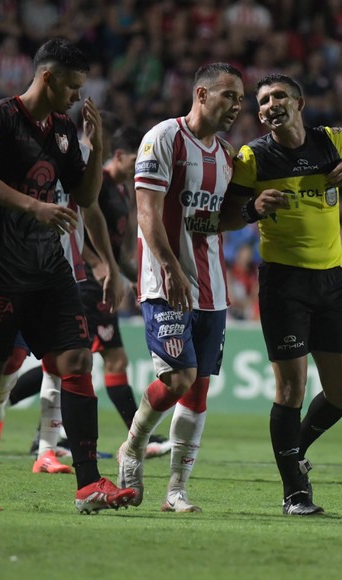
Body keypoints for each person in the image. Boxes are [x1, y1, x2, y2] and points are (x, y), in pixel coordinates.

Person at [0, 38, 135, 513]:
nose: (77, 96)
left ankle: (90, 484)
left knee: (78, 361)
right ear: (49, 77)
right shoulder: (0, 117)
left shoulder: (62, 129)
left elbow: (86, 194)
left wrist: (93, 149)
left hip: (49, 270)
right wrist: (35, 205)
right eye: (73, 86)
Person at [225, 73, 342, 515]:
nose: (269, 104)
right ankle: (294, 493)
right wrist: (253, 208)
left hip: (331, 279)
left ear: (299, 102)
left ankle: (294, 451)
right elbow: (225, 214)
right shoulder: (252, 157)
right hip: (285, 282)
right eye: (263, 100)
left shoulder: (333, 141)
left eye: (279, 95)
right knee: (291, 389)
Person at [116, 62, 245, 513]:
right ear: (202, 94)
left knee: (198, 390)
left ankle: (176, 491)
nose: (236, 106)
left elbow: (213, 219)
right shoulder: (162, 138)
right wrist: (170, 266)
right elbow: (147, 213)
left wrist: (252, 212)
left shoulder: (227, 156)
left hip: (212, 288)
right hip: (164, 280)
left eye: (240, 99)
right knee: (177, 378)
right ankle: (132, 446)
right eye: (229, 95)